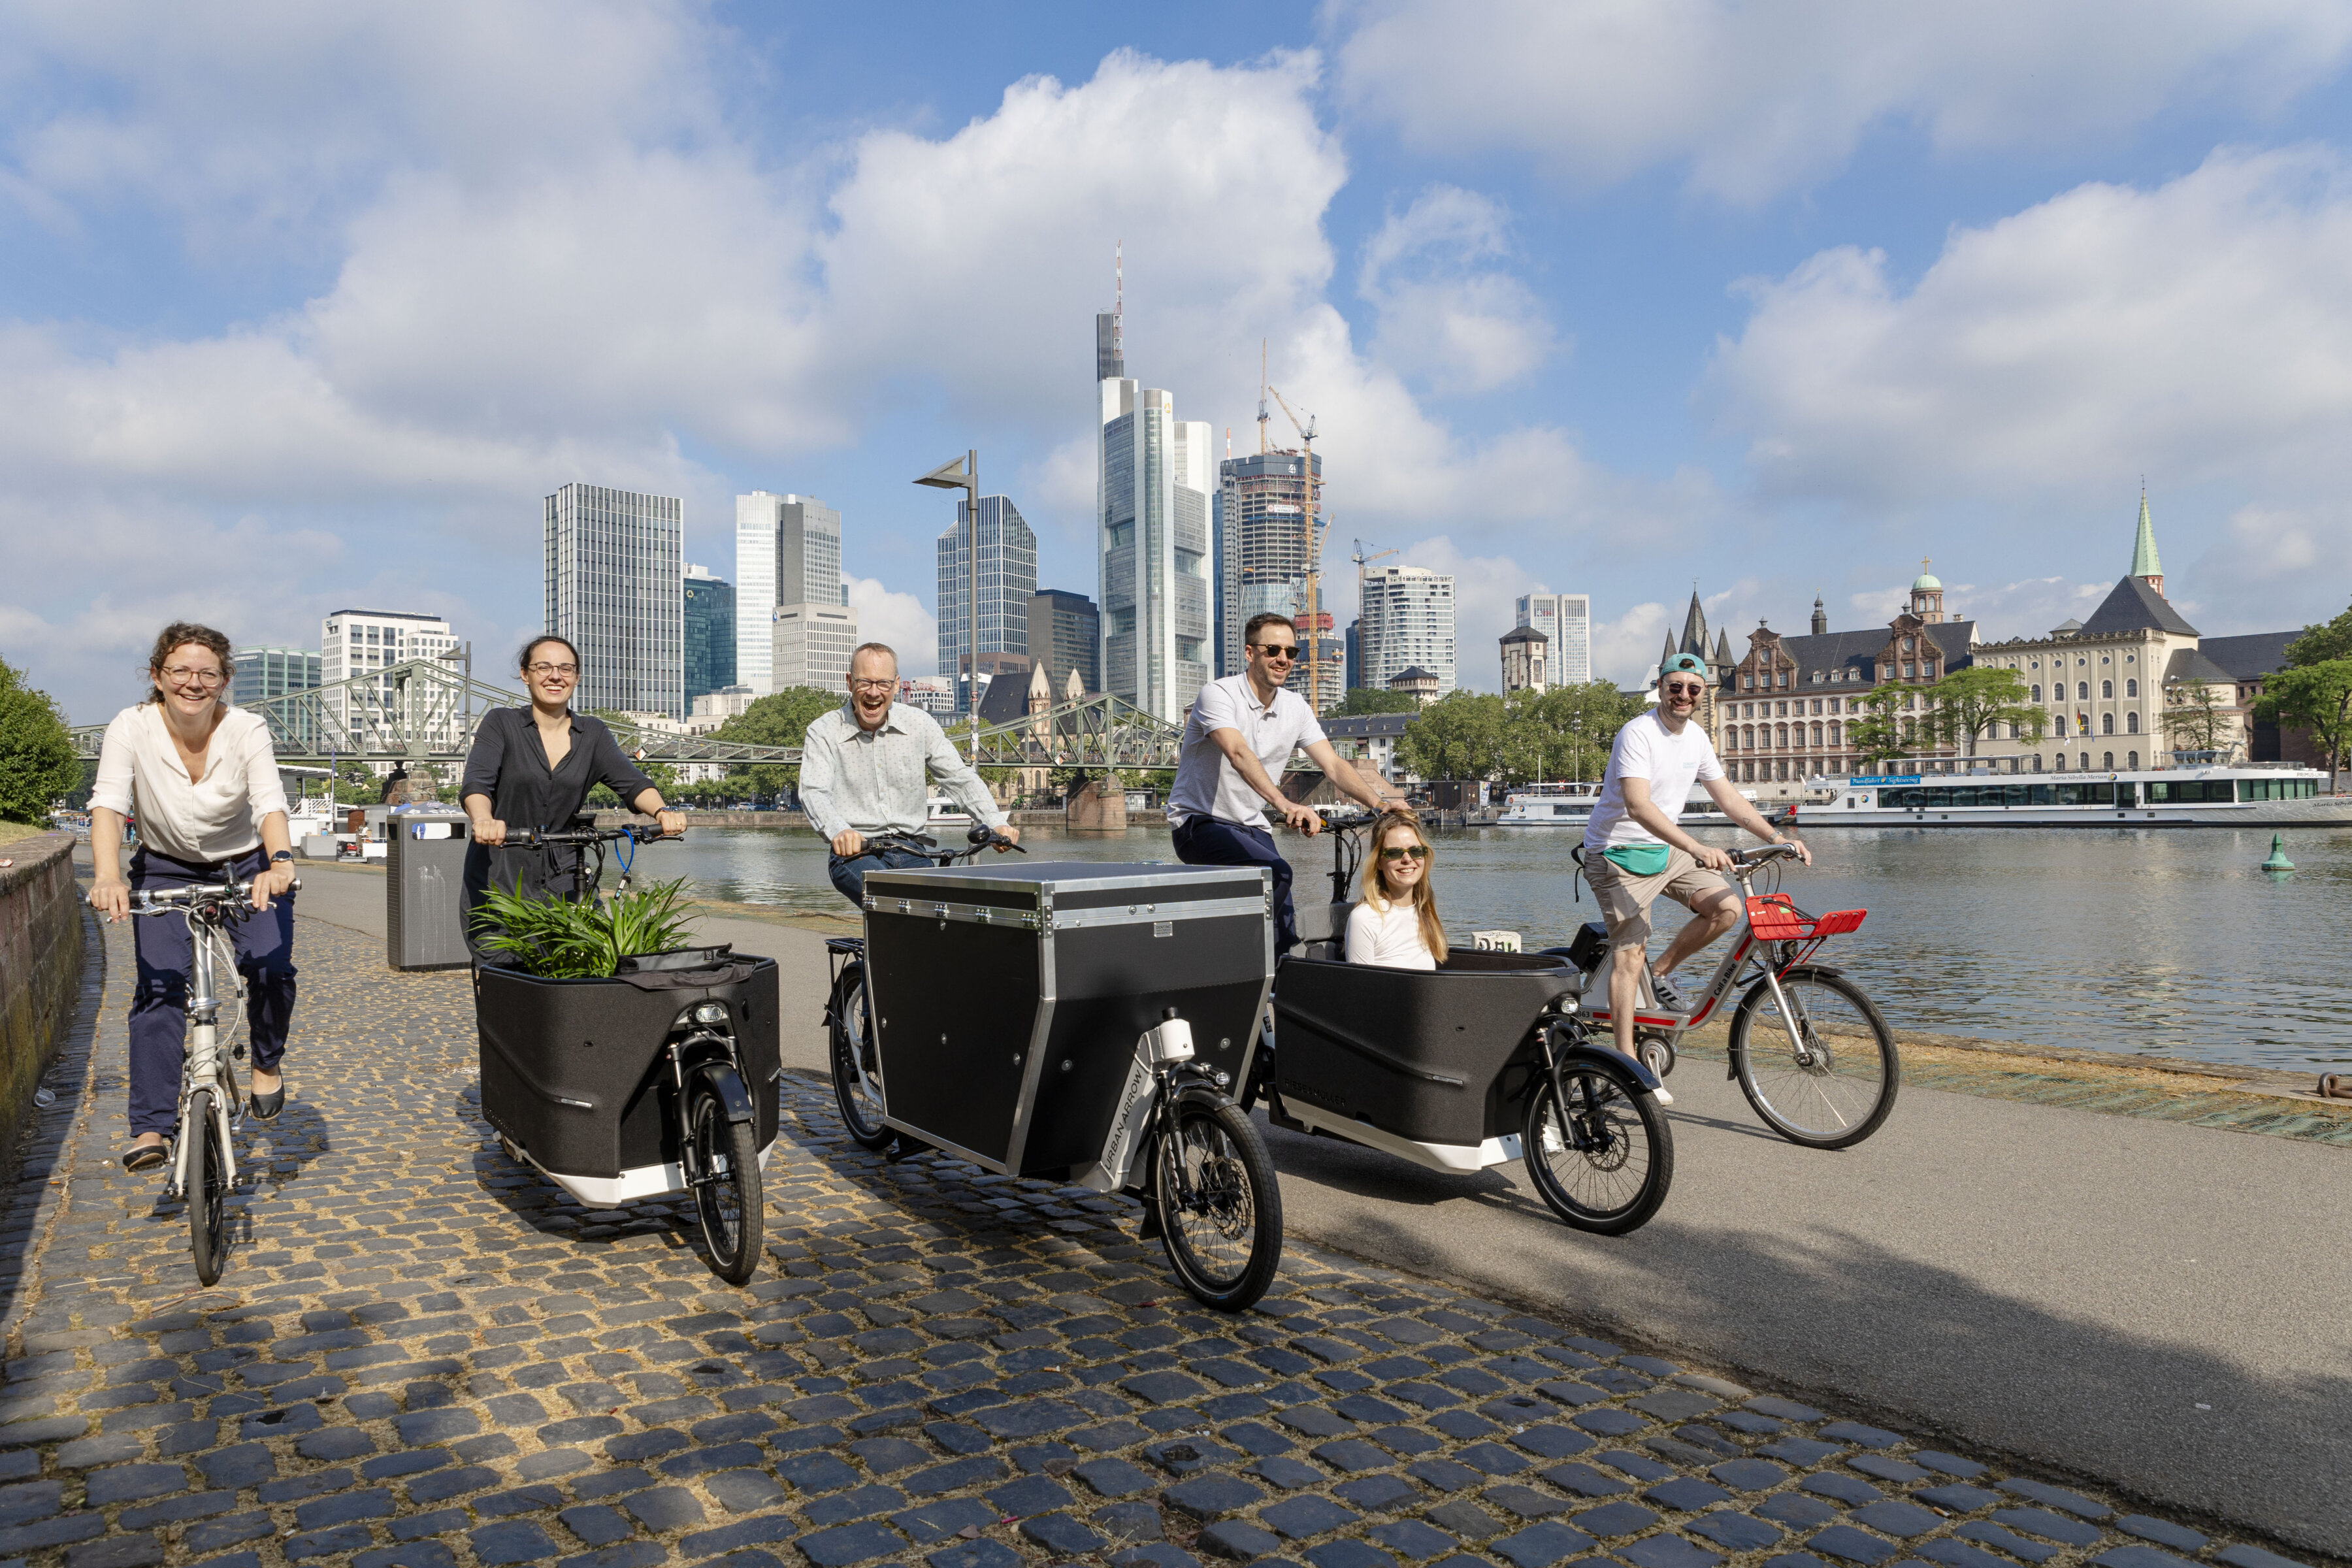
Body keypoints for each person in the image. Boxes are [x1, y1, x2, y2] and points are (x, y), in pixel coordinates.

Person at [88, 622, 301, 1170]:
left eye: (208, 673)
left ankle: (266, 1062)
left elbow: (269, 801)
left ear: (225, 680)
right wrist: (109, 875)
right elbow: (109, 803)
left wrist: (280, 862)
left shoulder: (247, 728)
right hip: (163, 868)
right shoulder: (130, 727)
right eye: (179, 670)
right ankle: (151, 1128)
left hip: (247, 864)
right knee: (159, 991)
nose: (193, 682)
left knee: (270, 967)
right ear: (157, 676)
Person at [1583, 651, 1808, 1102]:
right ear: (1661, 688)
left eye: (1693, 689)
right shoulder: (1638, 734)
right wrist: (1697, 847)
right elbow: (1638, 806)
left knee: (1726, 910)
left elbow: (1727, 797)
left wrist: (1776, 836)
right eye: (1675, 687)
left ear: (1702, 693)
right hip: (1618, 853)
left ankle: (1661, 975)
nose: (1683, 696)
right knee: (1630, 953)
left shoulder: (1698, 739)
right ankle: (1627, 1066)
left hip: (1665, 850)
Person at [1168, 613, 1414, 956]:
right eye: (1273, 650)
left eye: (1291, 652)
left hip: (1252, 826)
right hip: (1199, 822)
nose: (1283, 659)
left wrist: (1379, 803)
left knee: (1285, 930)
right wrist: (1287, 806)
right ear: (1250, 653)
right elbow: (1238, 753)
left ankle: (1280, 994)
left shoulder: (1295, 706)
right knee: (1277, 873)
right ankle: (1224, 960)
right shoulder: (1219, 695)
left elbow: (1332, 764)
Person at [460, 636, 686, 951]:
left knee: (583, 968)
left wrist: (663, 813)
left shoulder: (592, 734)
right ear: (525, 674)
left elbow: (632, 782)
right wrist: (485, 819)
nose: (555, 676)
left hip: (568, 872)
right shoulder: (501, 723)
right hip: (501, 872)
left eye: (566, 668)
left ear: (577, 677)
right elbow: (477, 782)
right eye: (544, 667)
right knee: (507, 979)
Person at [800, 642, 1020, 906]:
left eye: (883, 683)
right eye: (864, 682)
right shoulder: (823, 731)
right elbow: (814, 792)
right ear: (849, 682)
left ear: (896, 684)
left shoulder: (919, 724)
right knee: (893, 901)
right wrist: (839, 831)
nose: (873, 693)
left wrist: (995, 821)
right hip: (856, 852)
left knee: (946, 909)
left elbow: (959, 778)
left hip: (912, 849)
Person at [1345, 815, 1445, 970]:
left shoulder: (1425, 912)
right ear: (1378, 862)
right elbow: (1361, 989)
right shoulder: (1365, 918)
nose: (1407, 859)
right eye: (1394, 853)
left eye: (1416, 851)